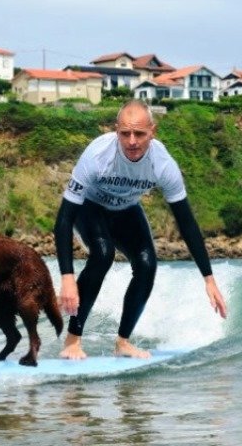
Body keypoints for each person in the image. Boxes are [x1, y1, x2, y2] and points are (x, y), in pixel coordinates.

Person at [54, 100, 227, 360]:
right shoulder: (97, 155)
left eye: (139, 134)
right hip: (89, 207)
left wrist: (209, 278)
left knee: (147, 264)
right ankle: (72, 340)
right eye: (125, 133)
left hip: (126, 209)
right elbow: (64, 219)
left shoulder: (163, 164)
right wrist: (67, 277)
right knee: (103, 254)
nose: (132, 141)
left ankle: (123, 342)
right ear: (116, 131)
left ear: (152, 132)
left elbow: (186, 221)